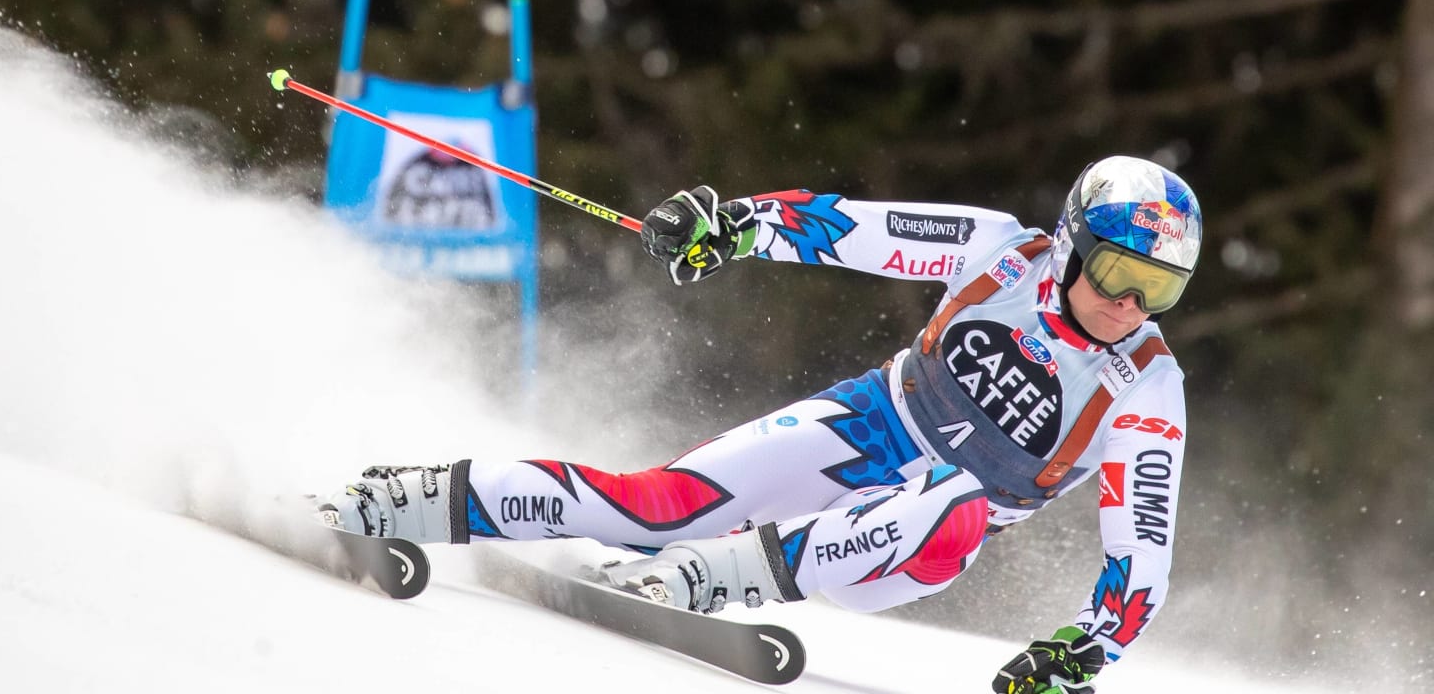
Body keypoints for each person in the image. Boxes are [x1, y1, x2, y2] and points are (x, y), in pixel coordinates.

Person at [324, 155, 1201, 694]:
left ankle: (710, 579)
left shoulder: (1148, 386)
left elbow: (1142, 546)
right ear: (1073, 244)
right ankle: (416, 499)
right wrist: (733, 226)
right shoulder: (1000, 251)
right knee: (655, 506)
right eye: (1119, 273)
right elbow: (845, 229)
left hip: (913, 545)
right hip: (866, 423)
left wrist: (1081, 654)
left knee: (955, 498)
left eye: (1159, 290)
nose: (1131, 304)